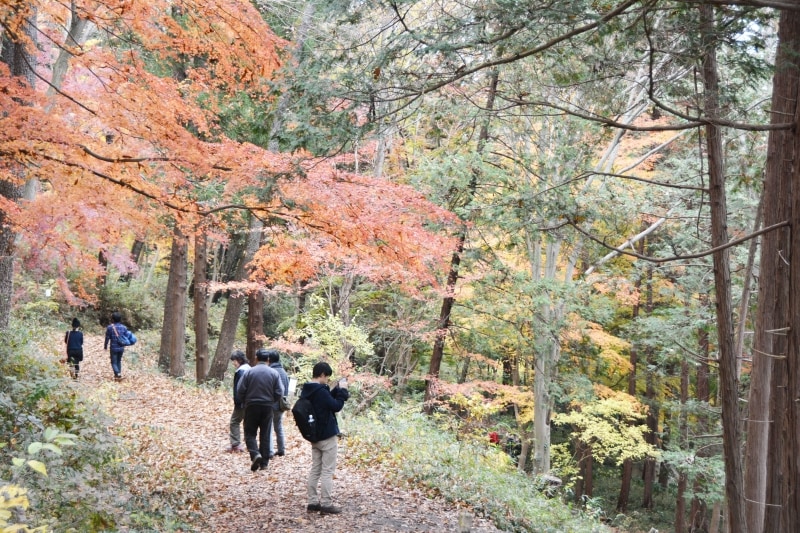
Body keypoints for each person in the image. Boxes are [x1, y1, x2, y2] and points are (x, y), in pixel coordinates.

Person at [300, 361, 349, 515]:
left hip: (314, 436)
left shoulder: (308, 390)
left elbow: (326, 401)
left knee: (315, 469)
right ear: (322, 375)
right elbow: (336, 406)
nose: (327, 380)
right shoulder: (321, 391)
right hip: (327, 436)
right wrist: (343, 392)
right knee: (327, 471)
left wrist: (335, 389)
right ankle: (326, 504)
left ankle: (312, 502)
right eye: (327, 377)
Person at [237, 348, 284, 472]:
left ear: (256, 358)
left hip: (251, 405)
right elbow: (280, 391)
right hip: (267, 406)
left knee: (250, 433)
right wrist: (272, 400)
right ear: (268, 359)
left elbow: (240, 390)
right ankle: (264, 463)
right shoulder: (274, 373)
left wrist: (245, 401)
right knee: (265, 433)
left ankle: (255, 454)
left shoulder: (249, 372)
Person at [266, 350, 290, 459]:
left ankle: (270, 451)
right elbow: (287, 388)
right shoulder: (283, 371)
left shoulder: (270, 371)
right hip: (281, 405)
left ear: (269, 359)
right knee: (278, 426)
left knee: (268, 427)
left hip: (271, 404)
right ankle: (281, 449)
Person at [227, 350, 250, 453]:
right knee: (248, 422)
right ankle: (250, 444)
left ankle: (236, 444)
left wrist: (238, 402)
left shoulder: (240, 371)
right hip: (250, 401)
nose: (233, 363)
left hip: (242, 402)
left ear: (239, 360)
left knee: (234, 421)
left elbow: (238, 388)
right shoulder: (250, 369)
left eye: (234, 360)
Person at [104, 311, 130, 381]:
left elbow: (107, 338)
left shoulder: (110, 327)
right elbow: (126, 337)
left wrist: (105, 346)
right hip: (121, 347)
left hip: (113, 347)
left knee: (113, 362)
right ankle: (117, 376)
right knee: (118, 361)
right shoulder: (124, 327)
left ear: (112, 319)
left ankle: (118, 373)